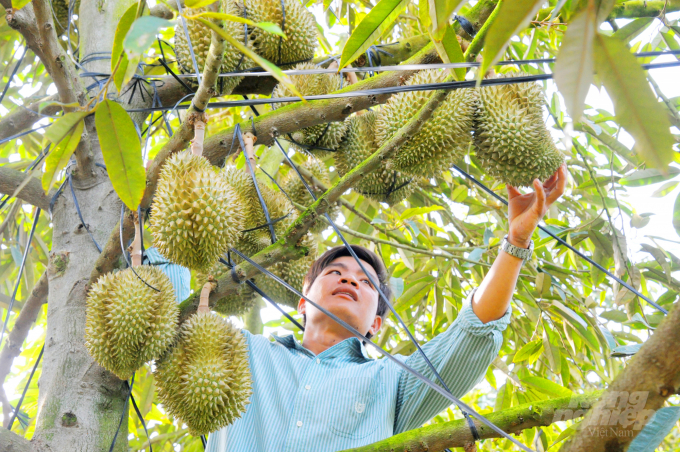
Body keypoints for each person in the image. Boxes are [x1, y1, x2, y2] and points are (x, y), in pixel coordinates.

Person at [206, 164, 568, 451]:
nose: (349, 281)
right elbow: (163, 305)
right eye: (335, 272)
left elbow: (472, 334)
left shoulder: (390, 382)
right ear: (303, 300)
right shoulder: (241, 352)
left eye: (366, 283)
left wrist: (516, 241)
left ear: (375, 325)